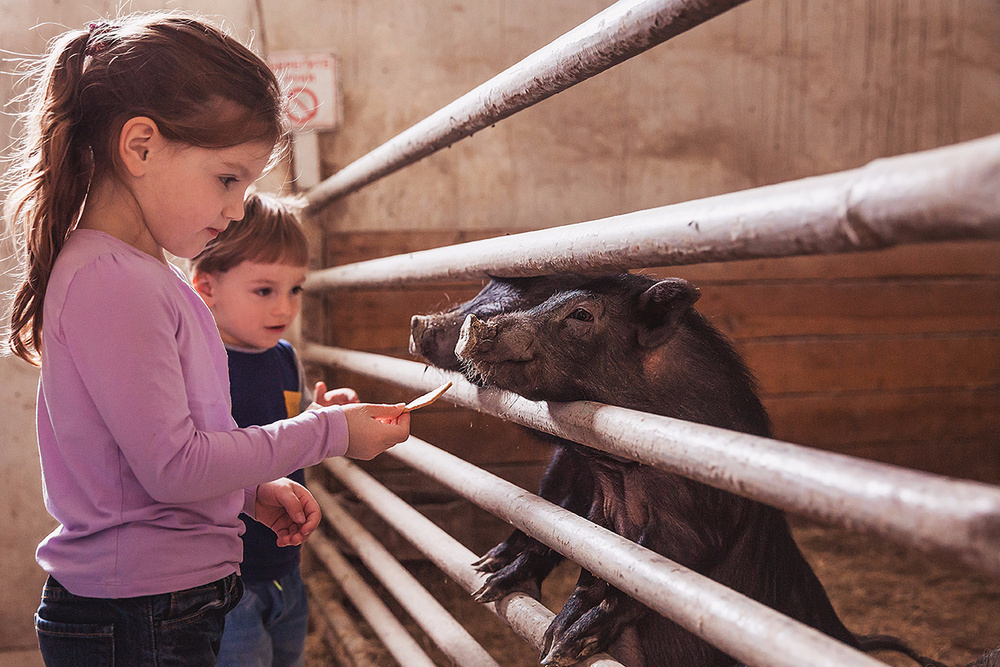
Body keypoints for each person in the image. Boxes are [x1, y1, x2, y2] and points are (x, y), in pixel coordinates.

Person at [2, 12, 409, 666]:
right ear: (140, 146)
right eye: (229, 178)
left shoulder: (134, 276)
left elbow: (147, 459)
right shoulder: (117, 283)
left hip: (155, 603)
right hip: (137, 614)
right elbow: (171, 466)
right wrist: (327, 432)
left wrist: (249, 492)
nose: (240, 207)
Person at [190, 191, 354, 667]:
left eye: (296, 288)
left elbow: (292, 433)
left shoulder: (284, 357)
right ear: (207, 289)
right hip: (223, 579)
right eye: (264, 290)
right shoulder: (200, 365)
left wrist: (319, 414)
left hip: (285, 562)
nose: (285, 307)